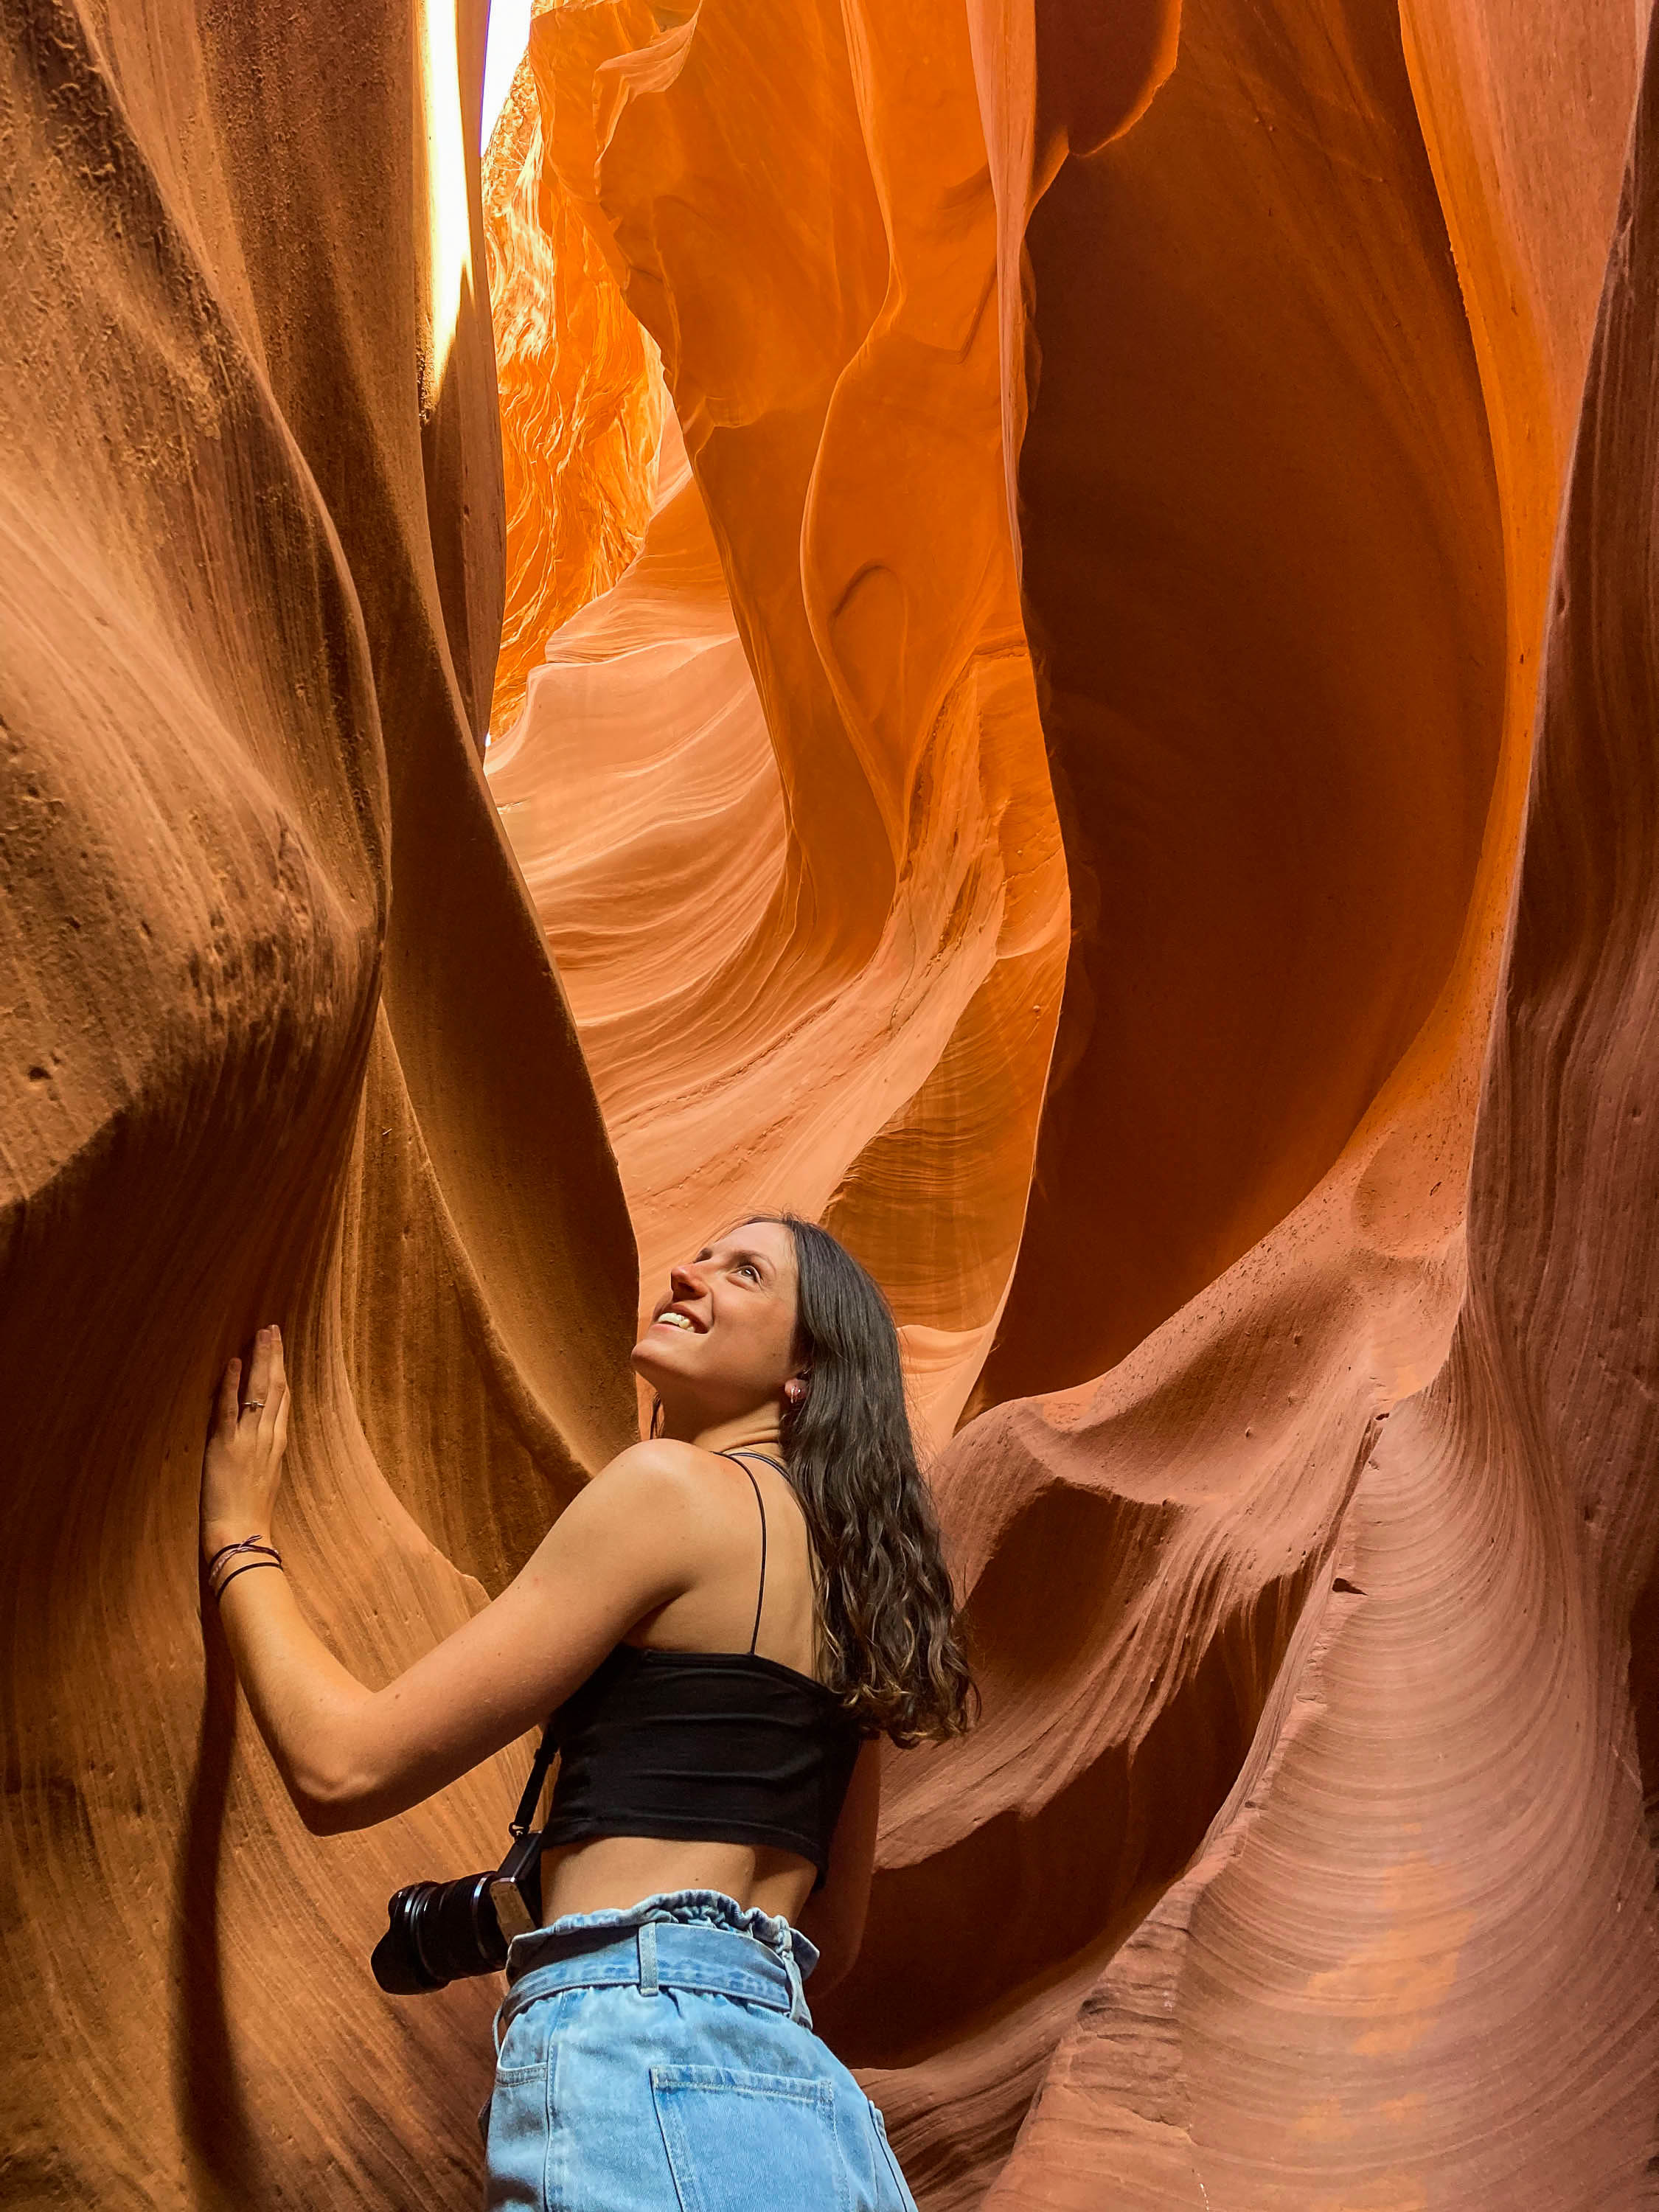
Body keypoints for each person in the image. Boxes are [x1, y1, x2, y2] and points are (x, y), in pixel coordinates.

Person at [201, 1211, 974, 2211]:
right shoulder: (857, 1591)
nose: (688, 1276)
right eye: (700, 1255)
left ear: (805, 1375)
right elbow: (834, 1929)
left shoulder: (670, 1491)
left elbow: (341, 1768)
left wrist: (236, 1536)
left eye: (743, 1273)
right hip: (806, 2100)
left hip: (635, 2051)